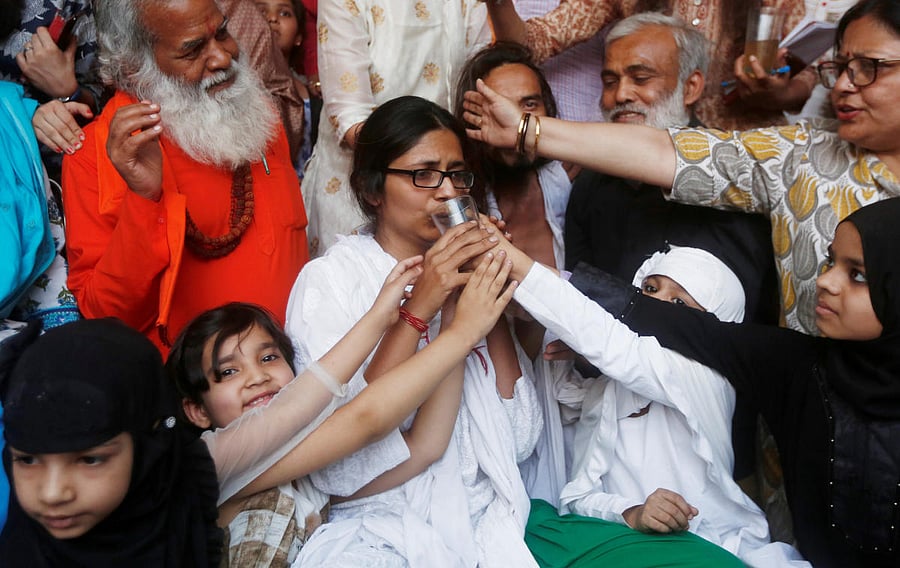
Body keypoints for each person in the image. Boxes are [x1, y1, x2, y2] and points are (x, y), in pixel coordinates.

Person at [463, 0, 900, 337]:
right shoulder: (794, 159)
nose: (844, 84)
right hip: (711, 166)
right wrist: (526, 129)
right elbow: (666, 153)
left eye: (867, 69)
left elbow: (731, 334)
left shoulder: (771, 183)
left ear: (692, 86)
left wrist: (776, 87)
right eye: (841, 68)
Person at [517, 187, 900, 567]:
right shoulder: (794, 364)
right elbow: (659, 328)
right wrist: (629, 512)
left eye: (859, 276)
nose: (826, 282)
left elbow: (625, 344)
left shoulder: (699, 375)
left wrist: (514, 264)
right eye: (830, 263)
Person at [288, 96, 542, 566]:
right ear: (372, 190)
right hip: (376, 531)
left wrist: (486, 286)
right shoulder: (329, 281)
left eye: (457, 174)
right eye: (423, 174)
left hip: (487, 521)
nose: (447, 192)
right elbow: (350, 447)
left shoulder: (466, 274)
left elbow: (520, 436)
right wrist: (423, 304)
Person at [168, 252, 515, 565]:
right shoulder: (212, 463)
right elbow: (362, 416)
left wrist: (454, 320)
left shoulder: (311, 475)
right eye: (228, 371)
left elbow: (425, 446)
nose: (257, 377)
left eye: (269, 357)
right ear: (196, 411)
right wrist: (452, 331)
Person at [61, 0, 310, 353]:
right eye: (193, 50)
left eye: (222, 32)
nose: (223, 57)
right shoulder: (93, 157)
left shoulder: (258, 113)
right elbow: (107, 319)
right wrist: (145, 200)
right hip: (192, 396)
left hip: (301, 373)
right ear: (134, 67)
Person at [537, 246, 805, 566]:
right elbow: (579, 498)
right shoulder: (608, 388)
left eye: (680, 302)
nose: (654, 304)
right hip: (621, 542)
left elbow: (617, 349)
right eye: (650, 289)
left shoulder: (706, 376)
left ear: (710, 328)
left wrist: (521, 271)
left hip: (710, 544)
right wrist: (631, 513)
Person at [565, 12, 779, 325]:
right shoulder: (591, 182)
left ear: (691, 87)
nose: (621, 95)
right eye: (610, 82)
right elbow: (580, 295)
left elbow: (727, 321)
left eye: (640, 78)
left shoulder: (729, 180)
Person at [454, 42, 580, 505]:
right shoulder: (463, 207)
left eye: (530, 104)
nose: (512, 116)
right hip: (506, 400)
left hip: (577, 385)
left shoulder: (569, 180)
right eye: (493, 105)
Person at [0, 318, 222, 566]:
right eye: (27, 459)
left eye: (90, 459)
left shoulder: (195, 508)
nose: (52, 494)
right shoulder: (22, 551)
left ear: (148, 451)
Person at [302, 0, 491, 256]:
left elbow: (476, 86)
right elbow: (349, 116)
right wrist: (418, 172)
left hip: (449, 181)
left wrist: (447, 175)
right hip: (372, 179)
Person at [483, 0, 815, 131]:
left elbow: (807, 79)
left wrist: (775, 91)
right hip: (654, 167)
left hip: (748, 155)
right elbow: (532, 44)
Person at [253, 0, 316, 176]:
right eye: (261, 11)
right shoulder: (240, 90)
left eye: (284, 13)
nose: (272, 18)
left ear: (299, 38)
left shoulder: (313, 96)